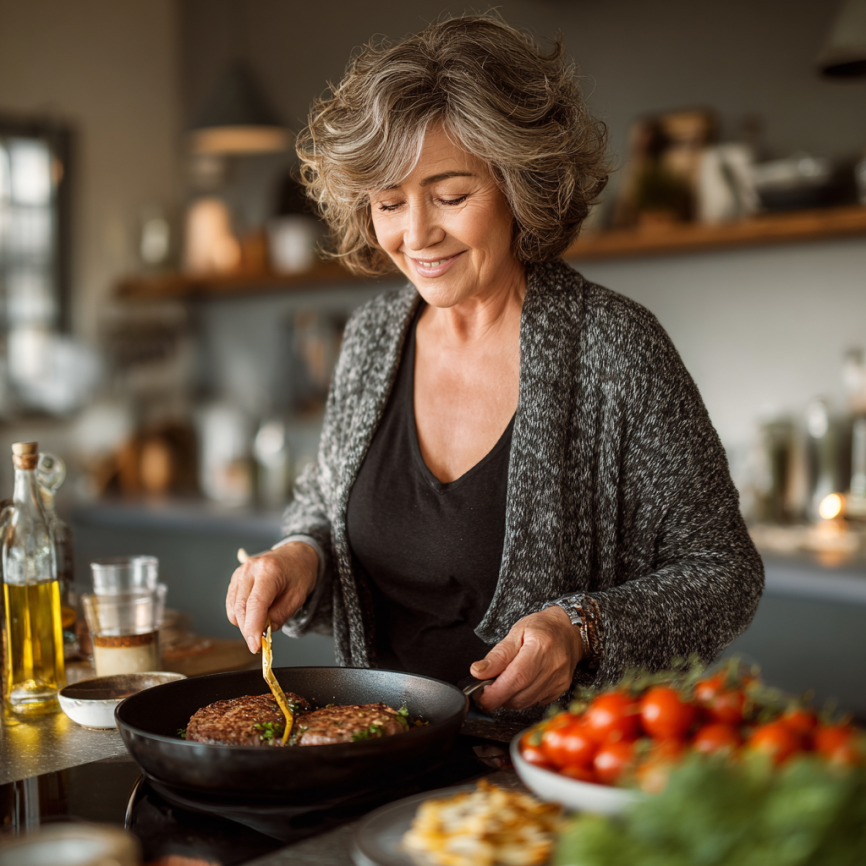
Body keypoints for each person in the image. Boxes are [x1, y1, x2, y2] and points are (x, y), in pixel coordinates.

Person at [226, 15, 763, 716]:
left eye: (451, 196)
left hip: (547, 772)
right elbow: (323, 514)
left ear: (519, 185)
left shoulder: (613, 348)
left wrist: (580, 630)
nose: (416, 235)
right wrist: (299, 557)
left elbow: (725, 575)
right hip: (376, 753)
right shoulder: (370, 337)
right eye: (389, 202)